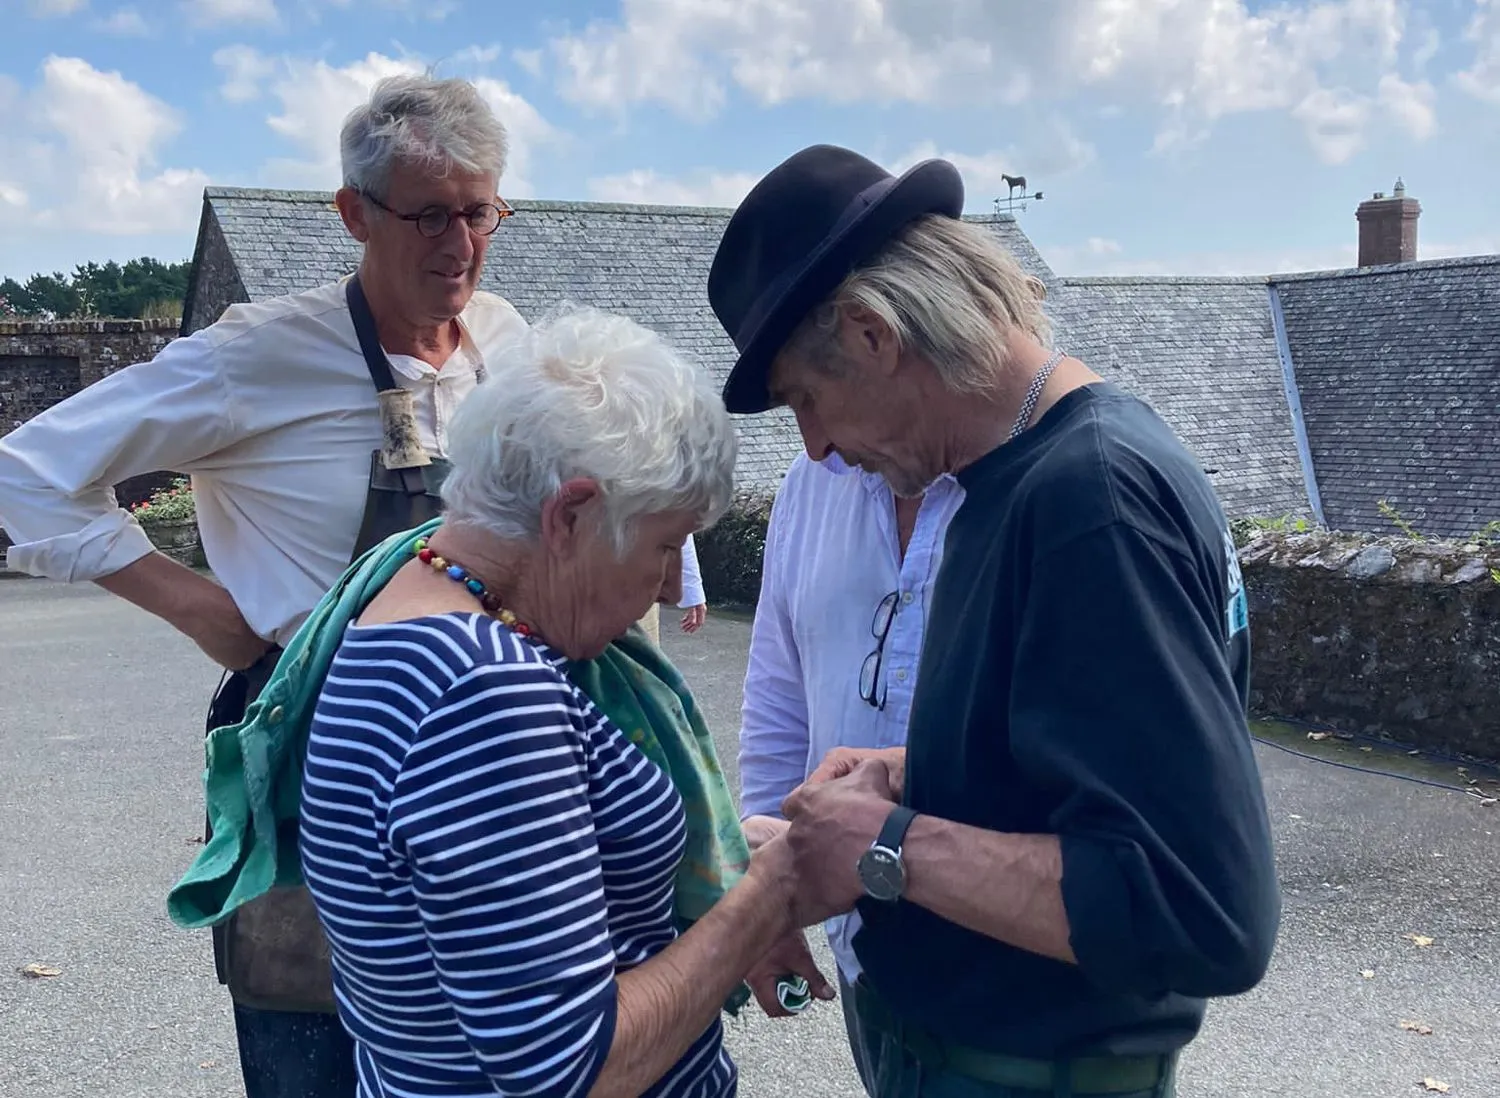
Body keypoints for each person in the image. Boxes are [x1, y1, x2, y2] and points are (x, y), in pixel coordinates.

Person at [706, 144, 1282, 1097]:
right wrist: (908, 772)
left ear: (872, 335)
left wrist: (886, 845)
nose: (816, 448)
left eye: (805, 400)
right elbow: (1074, 764)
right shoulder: (1016, 480)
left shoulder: (1091, 502)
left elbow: (1199, 908)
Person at [0, 73, 533, 1097]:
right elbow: (24, 473)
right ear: (354, 213)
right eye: (429, 215)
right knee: (311, 1043)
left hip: (486, 756)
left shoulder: (506, 345)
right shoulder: (256, 356)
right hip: (311, 752)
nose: (461, 244)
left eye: (480, 213)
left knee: (487, 1045)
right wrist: (202, 610)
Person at [298, 304, 825, 1098]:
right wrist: (768, 893)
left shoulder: (403, 597)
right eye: (664, 545)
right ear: (571, 514)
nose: (669, 584)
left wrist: (726, 854)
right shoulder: (483, 692)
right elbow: (568, 1070)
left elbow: (530, 882)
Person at [736, 452, 959, 1093]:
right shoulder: (812, 483)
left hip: (1020, 990)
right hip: (863, 961)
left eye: (809, 401)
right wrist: (768, 893)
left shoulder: (1042, 485)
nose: (811, 440)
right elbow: (779, 691)